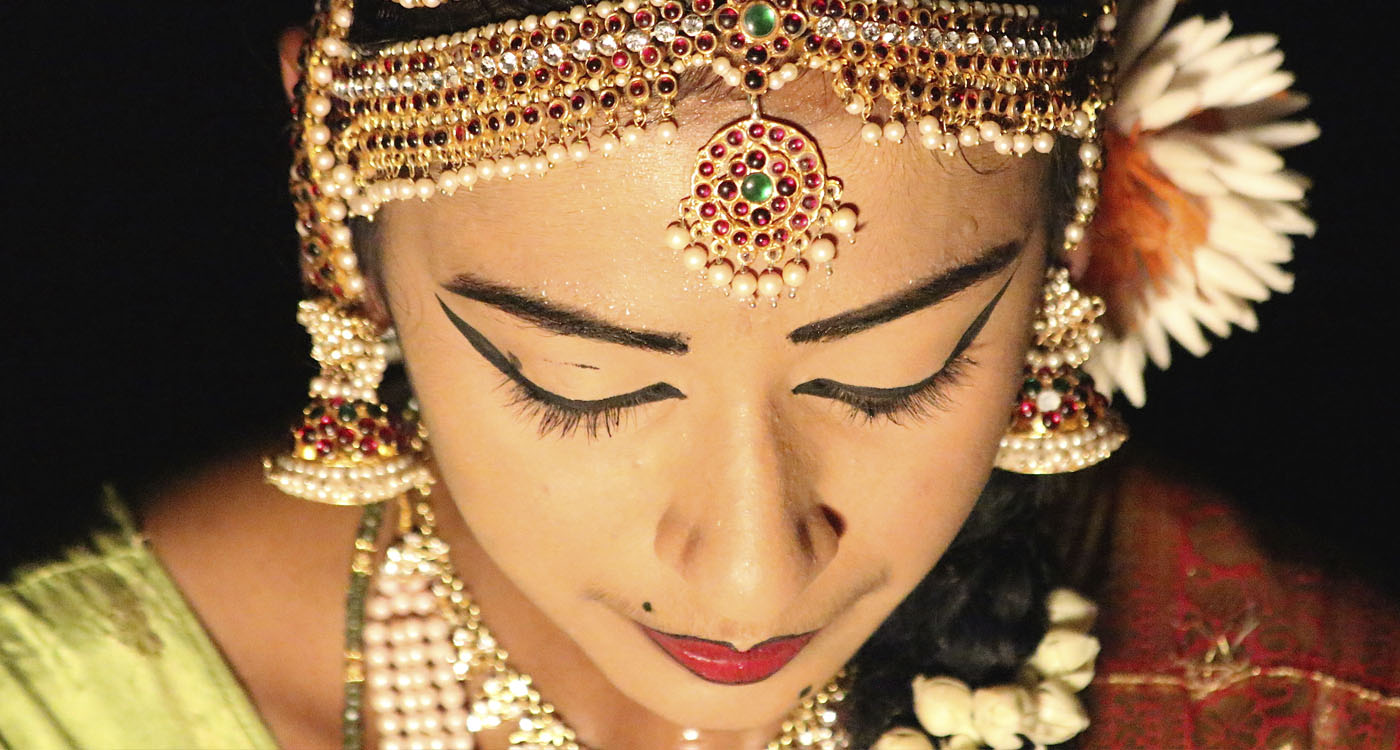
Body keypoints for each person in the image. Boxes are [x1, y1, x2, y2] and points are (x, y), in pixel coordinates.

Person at [3, 0, 1395, 748]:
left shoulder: (1284, 696)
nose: (747, 574)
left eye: (895, 374)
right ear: (337, 214)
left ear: (1072, 239)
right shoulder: (69, 713)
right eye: (580, 383)